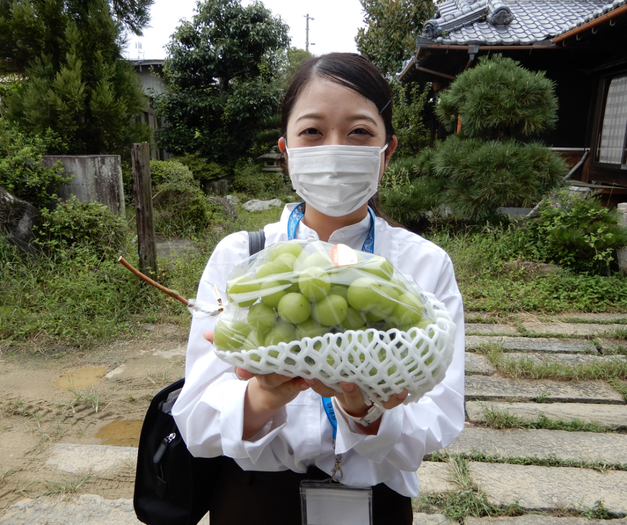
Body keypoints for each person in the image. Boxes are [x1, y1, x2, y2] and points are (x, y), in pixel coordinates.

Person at [172, 52, 465, 525]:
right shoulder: (242, 260)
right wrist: (264, 396)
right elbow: (196, 422)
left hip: (376, 506)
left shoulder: (421, 266)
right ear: (285, 151)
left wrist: (367, 414)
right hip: (253, 502)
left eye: (359, 132)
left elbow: (441, 418)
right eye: (312, 131)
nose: (335, 148)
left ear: (386, 151)